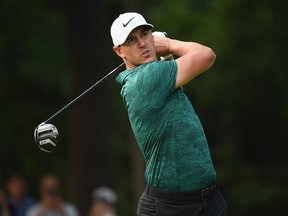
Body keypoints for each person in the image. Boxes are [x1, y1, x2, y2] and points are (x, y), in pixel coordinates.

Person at [110, 12, 227, 215]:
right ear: (120, 51)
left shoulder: (156, 74)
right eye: (131, 40)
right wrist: (170, 43)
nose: (142, 43)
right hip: (172, 207)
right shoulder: (146, 78)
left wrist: (164, 54)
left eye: (145, 34)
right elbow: (206, 55)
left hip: (209, 200)